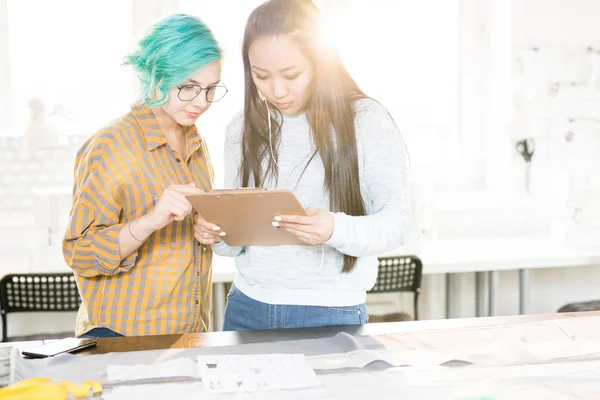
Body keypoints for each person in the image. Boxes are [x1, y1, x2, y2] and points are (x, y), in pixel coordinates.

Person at [194, 0, 411, 331]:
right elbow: (233, 246)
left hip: (330, 312)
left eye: (291, 74)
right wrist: (216, 231)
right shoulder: (240, 128)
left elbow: (397, 224)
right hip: (247, 308)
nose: (277, 90)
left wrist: (333, 228)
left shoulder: (365, 120)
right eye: (261, 76)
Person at [62, 14, 228, 337]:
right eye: (188, 87)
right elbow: (78, 252)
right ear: (157, 75)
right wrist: (149, 221)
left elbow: (186, 241)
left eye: (210, 90)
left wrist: (205, 229)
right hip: (122, 338)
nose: (201, 102)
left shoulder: (196, 142)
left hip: (187, 335)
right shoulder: (111, 146)